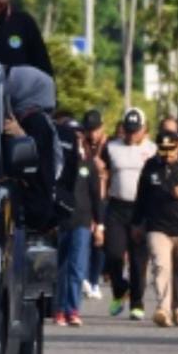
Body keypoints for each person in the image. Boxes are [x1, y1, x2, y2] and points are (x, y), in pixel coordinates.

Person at [134, 130, 178, 327]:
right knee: (161, 266)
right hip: (158, 226)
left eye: (170, 149)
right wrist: (137, 223)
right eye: (162, 149)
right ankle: (163, 308)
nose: (166, 154)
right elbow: (141, 197)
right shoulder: (151, 166)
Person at [101, 108, 157, 320]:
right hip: (116, 207)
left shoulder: (152, 150)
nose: (132, 134)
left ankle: (137, 301)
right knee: (113, 254)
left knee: (138, 259)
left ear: (145, 129)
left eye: (136, 130)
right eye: (128, 130)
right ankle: (119, 288)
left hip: (140, 209)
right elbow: (103, 174)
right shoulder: (112, 147)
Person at [3, 67, 63, 233]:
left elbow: (38, 163)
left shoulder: (36, 121)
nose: (9, 86)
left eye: (15, 83)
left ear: (26, 88)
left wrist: (21, 136)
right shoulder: (26, 118)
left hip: (33, 208)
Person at [55, 119, 102, 326]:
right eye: (72, 134)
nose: (76, 138)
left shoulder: (88, 163)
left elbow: (96, 196)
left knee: (76, 268)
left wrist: (100, 225)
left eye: (79, 134)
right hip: (61, 220)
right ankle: (58, 310)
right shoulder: (58, 161)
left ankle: (72, 310)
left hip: (82, 221)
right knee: (60, 267)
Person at [78, 108, 108, 300]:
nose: (92, 134)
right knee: (86, 238)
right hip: (86, 197)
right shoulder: (81, 144)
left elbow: (113, 170)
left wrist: (103, 167)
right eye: (89, 130)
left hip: (105, 198)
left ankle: (95, 280)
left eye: (95, 130)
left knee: (100, 241)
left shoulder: (109, 145)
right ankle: (85, 278)